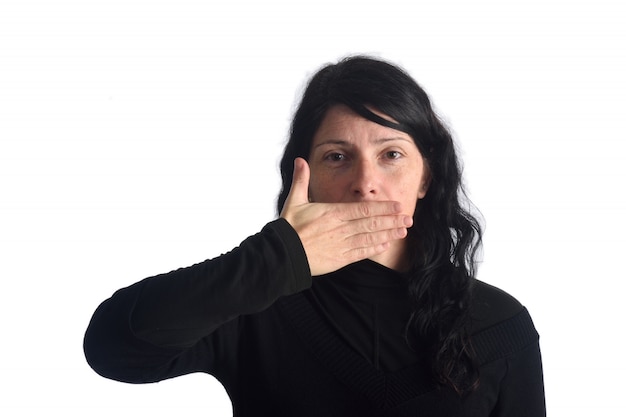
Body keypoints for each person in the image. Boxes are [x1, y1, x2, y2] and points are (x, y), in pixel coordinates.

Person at [84, 56, 546, 416]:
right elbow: (112, 349)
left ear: (426, 178)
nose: (365, 182)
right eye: (337, 157)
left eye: (391, 154)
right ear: (304, 178)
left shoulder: (500, 326)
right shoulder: (257, 303)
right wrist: (277, 259)